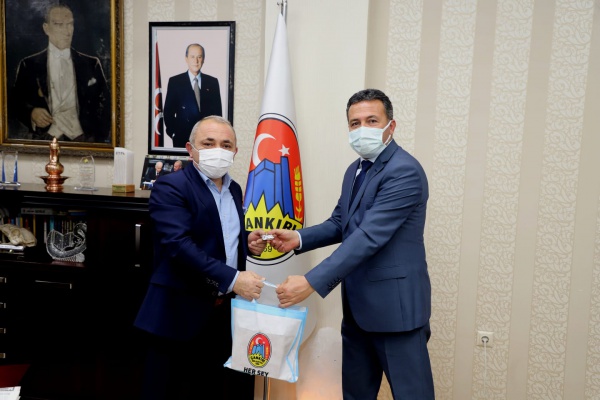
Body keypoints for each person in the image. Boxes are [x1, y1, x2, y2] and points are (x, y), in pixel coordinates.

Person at [269, 89, 434, 399]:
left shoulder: (404, 171)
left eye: (372, 121)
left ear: (391, 126)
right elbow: (340, 223)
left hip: (396, 313)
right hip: (358, 312)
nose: (362, 129)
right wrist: (299, 238)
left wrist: (311, 281)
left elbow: (368, 237)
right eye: (355, 123)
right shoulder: (355, 170)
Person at [134, 115, 270, 400]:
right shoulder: (171, 186)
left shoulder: (234, 188)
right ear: (190, 149)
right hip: (176, 312)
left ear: (235, 151)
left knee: (210, 391)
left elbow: (217, 235)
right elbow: (178, 245)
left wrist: (246, 242)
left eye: (226, 145)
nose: (217, 150)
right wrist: (234, 279)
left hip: (218, 314)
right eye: (208, 143)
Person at [12, 4, 110, 143]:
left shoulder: (91, 64)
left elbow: (107, 106)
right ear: (46, 28)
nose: (67, 31)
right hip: (44, 139)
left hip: (83, 140)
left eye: (70, 24)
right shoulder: (28, 65)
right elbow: (15, 103)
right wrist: (31, 113)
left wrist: (97, 139)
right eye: (59, 25)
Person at [163, 43, 223, 148]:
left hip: (207, 141)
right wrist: (173, 133)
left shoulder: (212, 82)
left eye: (199, 57)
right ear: (186, 59)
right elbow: (168, 112)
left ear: (203, 59)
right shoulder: (175, 82)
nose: (196, 61)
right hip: (182, 140)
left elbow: (218, 114)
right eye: (192, 57)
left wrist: (214, 136)